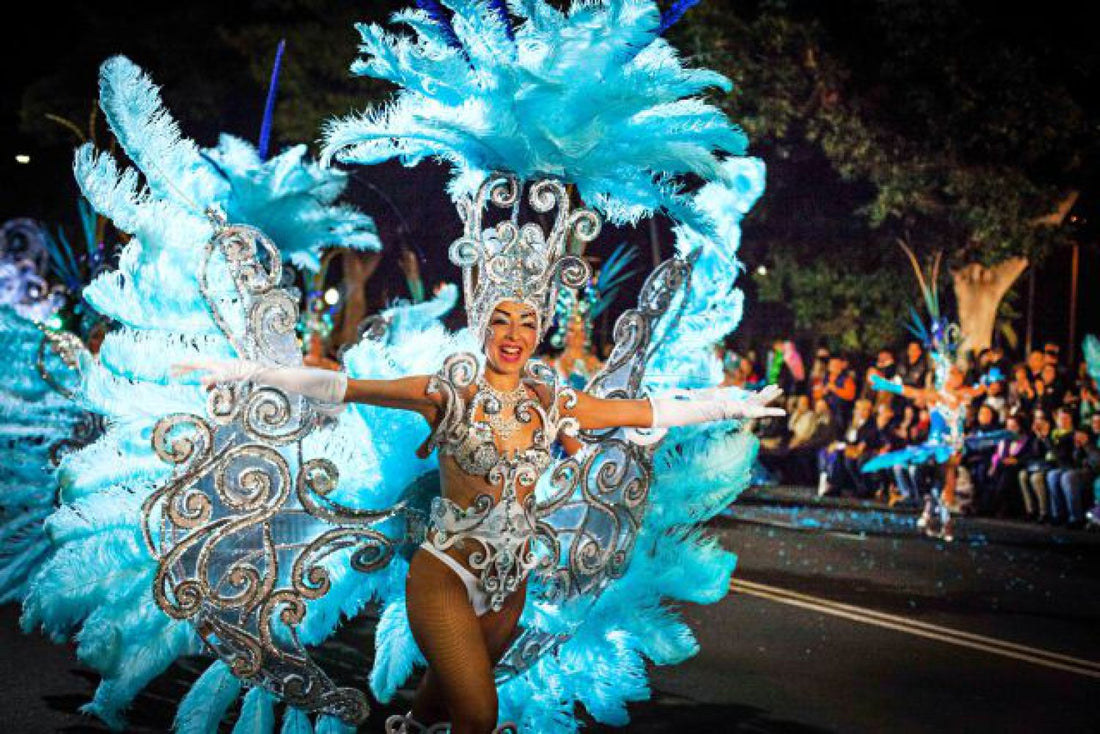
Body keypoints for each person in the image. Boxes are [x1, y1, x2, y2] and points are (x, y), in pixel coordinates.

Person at [176, 194, 784, 734]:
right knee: (479, 717)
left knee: (435, 714)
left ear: (540, 327)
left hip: (509, 588)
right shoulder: (448, 391)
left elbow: (643, 412)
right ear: (484, 324)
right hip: (443, 577)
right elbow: (343, 387)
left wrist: (729, 402)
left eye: (526, 321)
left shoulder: (551, 399)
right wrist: (247, 371)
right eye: (501, 320)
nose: (514, 333)